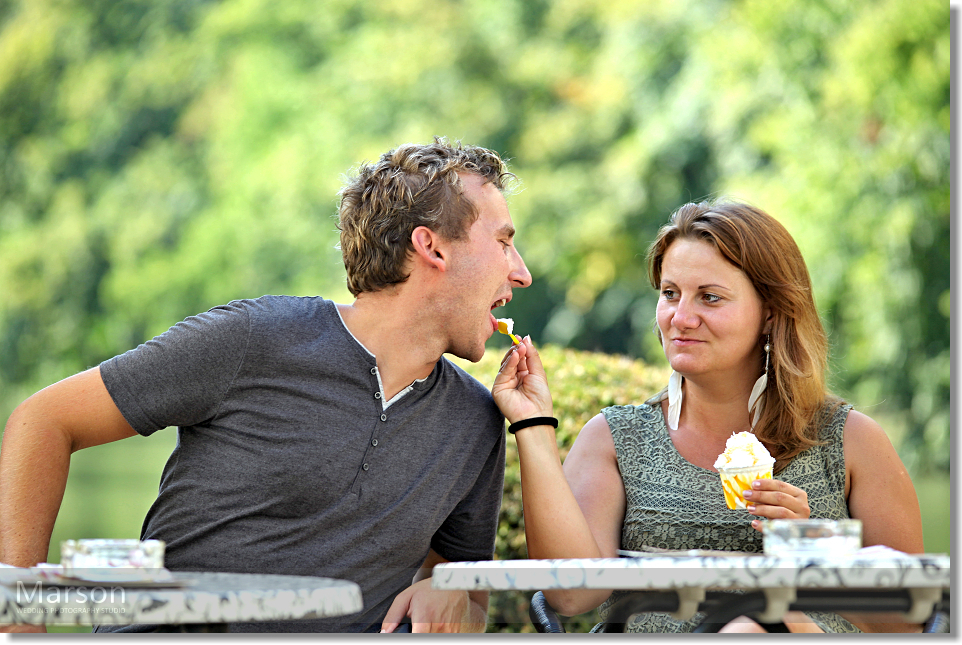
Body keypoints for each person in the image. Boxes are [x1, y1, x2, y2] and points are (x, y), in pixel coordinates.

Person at [0, 137, 533, 633]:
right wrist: (19, 623)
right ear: (432, 247)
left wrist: (450, 592)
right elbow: (44, 420)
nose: (521, 272)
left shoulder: (475, 420)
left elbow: (464, 599)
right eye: (504, 242)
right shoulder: (255, 339)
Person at [493, 200, 924, 633]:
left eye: (710, 297)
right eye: (670, 294)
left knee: (759, 623)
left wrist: (808, 546)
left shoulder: (850, 440)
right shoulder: (616, 438)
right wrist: (532, 426)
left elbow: (908, 621)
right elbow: (571, 595)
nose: (681, 318)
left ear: (770, 311)